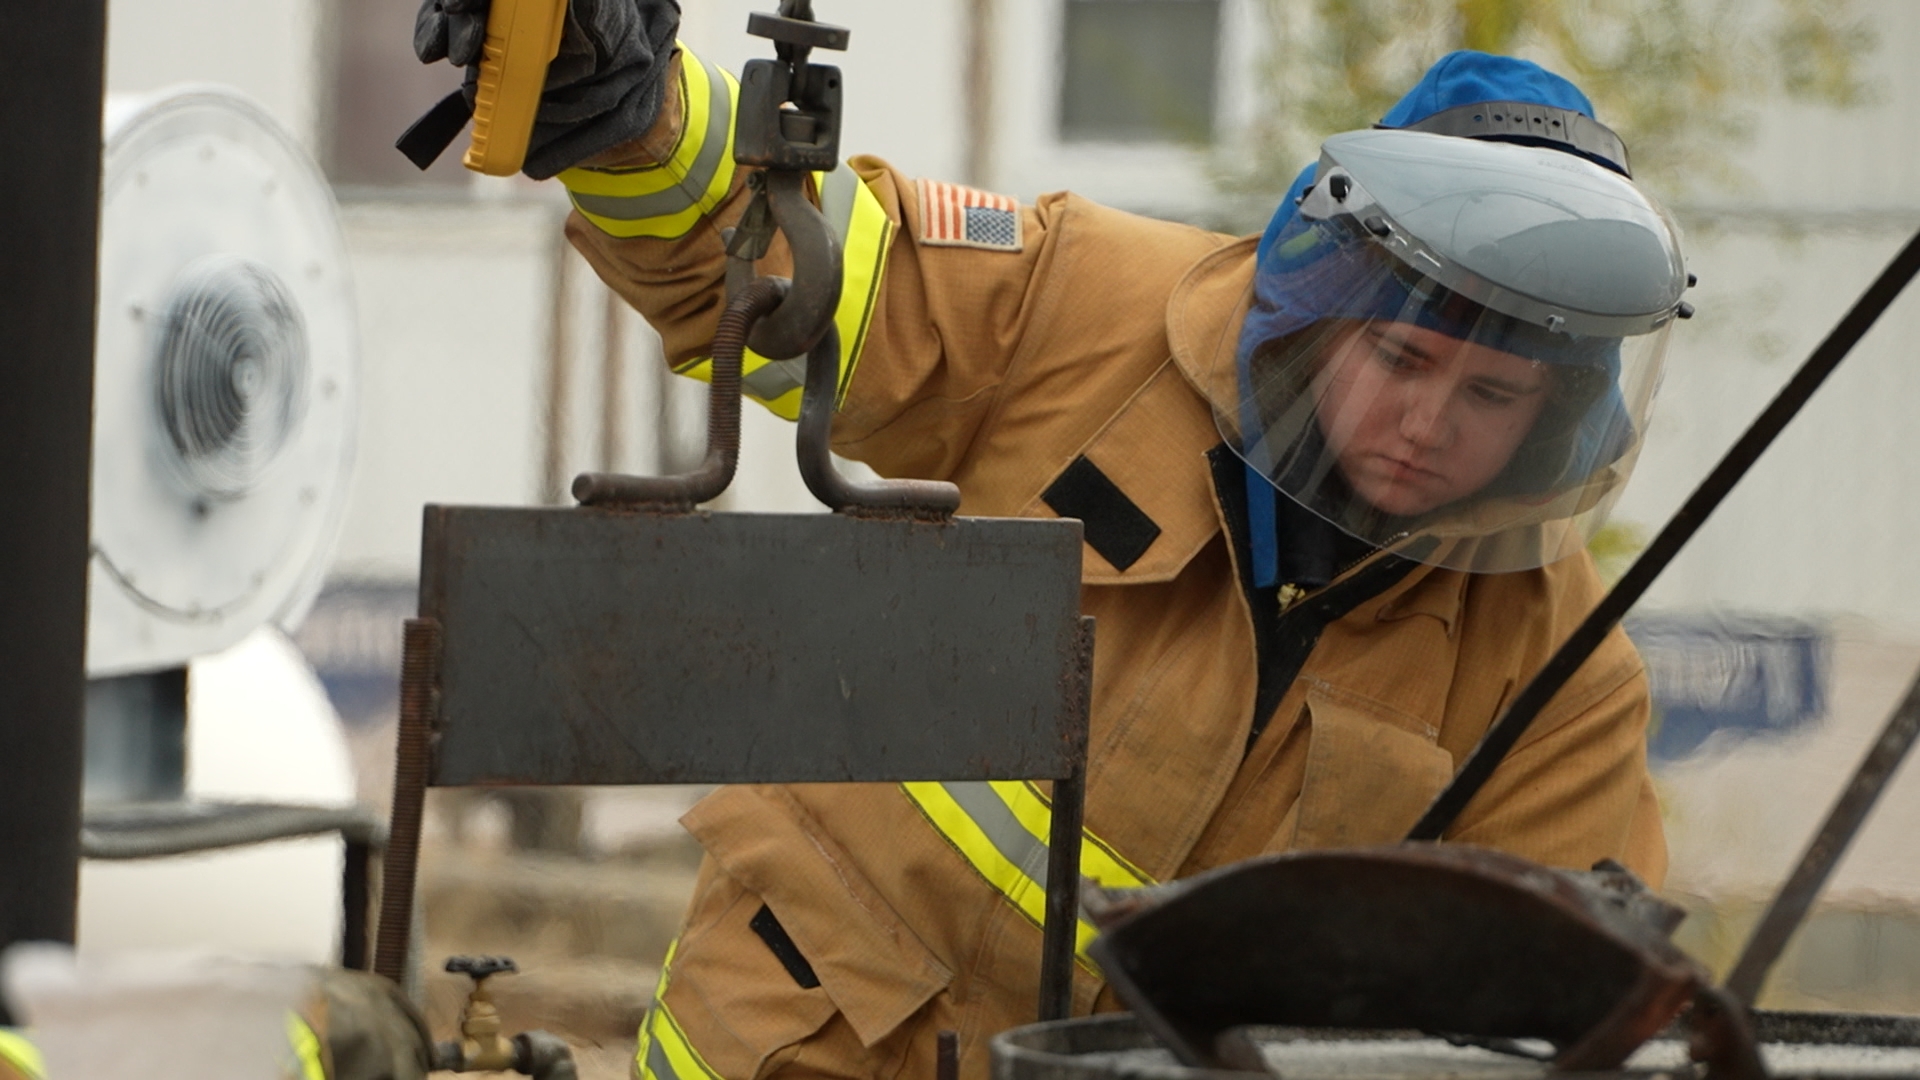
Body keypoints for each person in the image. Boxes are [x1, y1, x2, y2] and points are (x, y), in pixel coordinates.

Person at [411, 5, 1689, 1078]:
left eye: (1492, 395)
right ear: (1316, 305)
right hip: (805, 1040)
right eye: (1401, 359)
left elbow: (1555, 1024)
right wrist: (636, 114)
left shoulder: (1562, 681)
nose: (1427, 425)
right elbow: (804, 270)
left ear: (1558, 416)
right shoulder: (1087, 306)